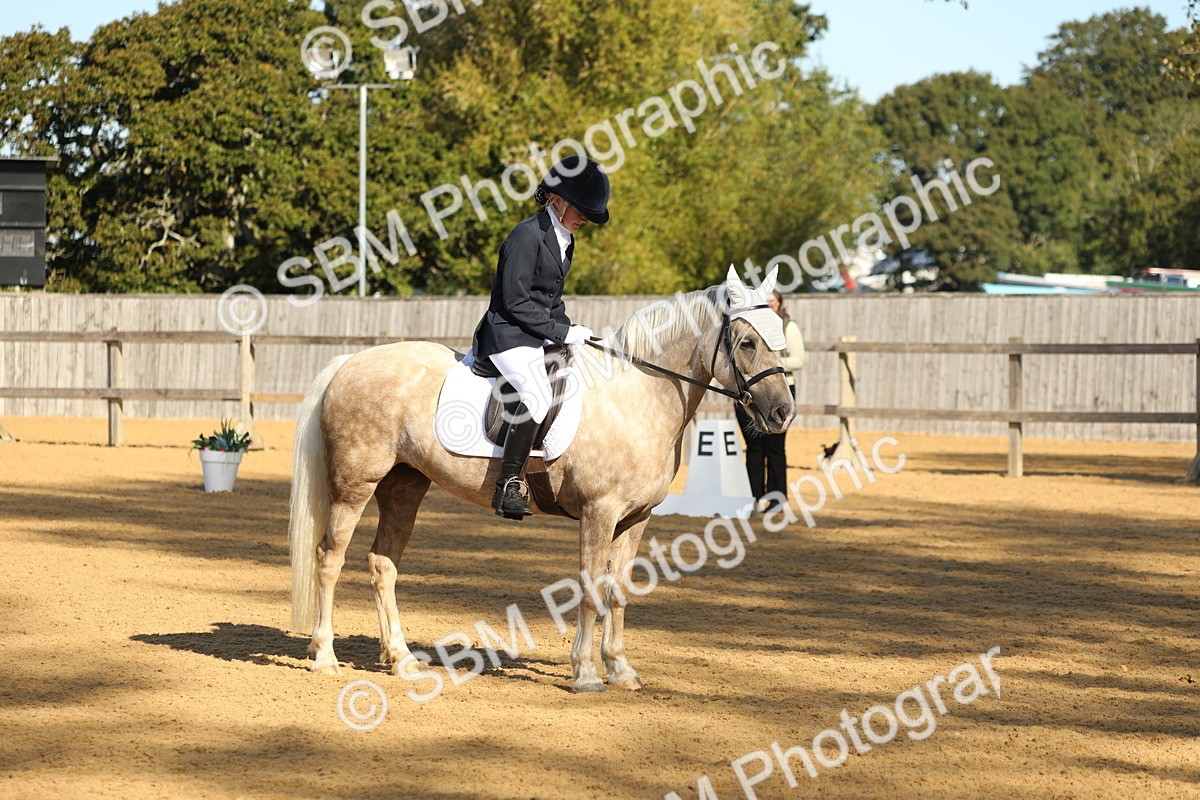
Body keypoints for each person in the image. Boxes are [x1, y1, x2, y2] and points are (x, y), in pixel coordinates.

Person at [470, 155, 611, 520]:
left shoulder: (565, 240)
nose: (585, 219)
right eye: (581, 210)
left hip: (533, 334)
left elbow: (550, 301)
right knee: (535, 395)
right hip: (506, 333)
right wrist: (561, 332)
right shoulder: (526, 235)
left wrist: (577, 333)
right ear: (558, 200)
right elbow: (516, 300)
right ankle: (507, 486)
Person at [735, 289, 805, 512]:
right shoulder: (751, 327)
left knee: (775, 448)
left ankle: (777, 498)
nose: (769, 305)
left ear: (779, 303)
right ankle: (753, 497)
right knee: (753, 447)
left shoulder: (787, 326)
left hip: (780, 389)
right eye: (765, 302)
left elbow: (799, 359)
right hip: (752, 391)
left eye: (772, 301)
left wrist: (770, 366)